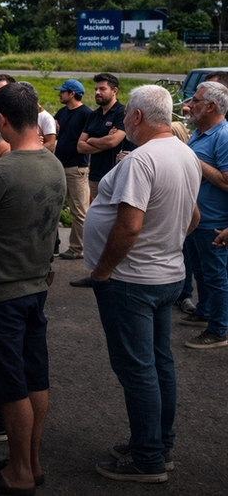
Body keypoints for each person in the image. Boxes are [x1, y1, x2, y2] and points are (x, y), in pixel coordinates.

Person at [84, 85, 200, 483]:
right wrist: (168, 243)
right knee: (158, 365)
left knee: (138, 370)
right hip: (167, 275)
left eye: (127, 114)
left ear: (136, 116)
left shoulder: (142, 159)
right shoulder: (186, 154)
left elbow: (129, 226)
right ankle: (156, 443)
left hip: (133, 281)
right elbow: (194, 217)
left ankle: (148, 455)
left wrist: (102, 271)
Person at [0, 84, 66, 495]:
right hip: (33, 288)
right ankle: (30, 462)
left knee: (9, 388)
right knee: (35, 380)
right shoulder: (52, 164)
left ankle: (18, 473)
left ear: (1, 120)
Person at [178, 81, 228, 348]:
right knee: (201, 272)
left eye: (195, 100)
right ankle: (205, 312)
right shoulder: (200, 132)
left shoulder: (224, 136)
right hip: (197, 220)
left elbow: (227, 181)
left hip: (215, 223)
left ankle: (219, 330)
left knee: (217, 277)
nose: (189, 105)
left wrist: (193, 160)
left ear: (211, 106)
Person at [72, 73, 130, 287]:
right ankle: (99, 272)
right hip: (95, 176)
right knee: (98, 223)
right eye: (96, 88)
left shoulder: (122, 112)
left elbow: (115, 140)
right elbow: (80, 146)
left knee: (115, 225)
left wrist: (95, 141)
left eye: (102, 89)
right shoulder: (94, 115)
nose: (97, 92)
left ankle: (114, 273)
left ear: (114, 91)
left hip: (116, 177)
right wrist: (103, 140)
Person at [54, 80, 93, 261]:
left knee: (79, 211)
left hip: (77, 167)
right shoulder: (62, 112)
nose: (59, 94)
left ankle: (78, 248)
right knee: (55, 206)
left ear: (72, 94)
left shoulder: (86, 114)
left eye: (62, 92)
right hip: (60, 165)